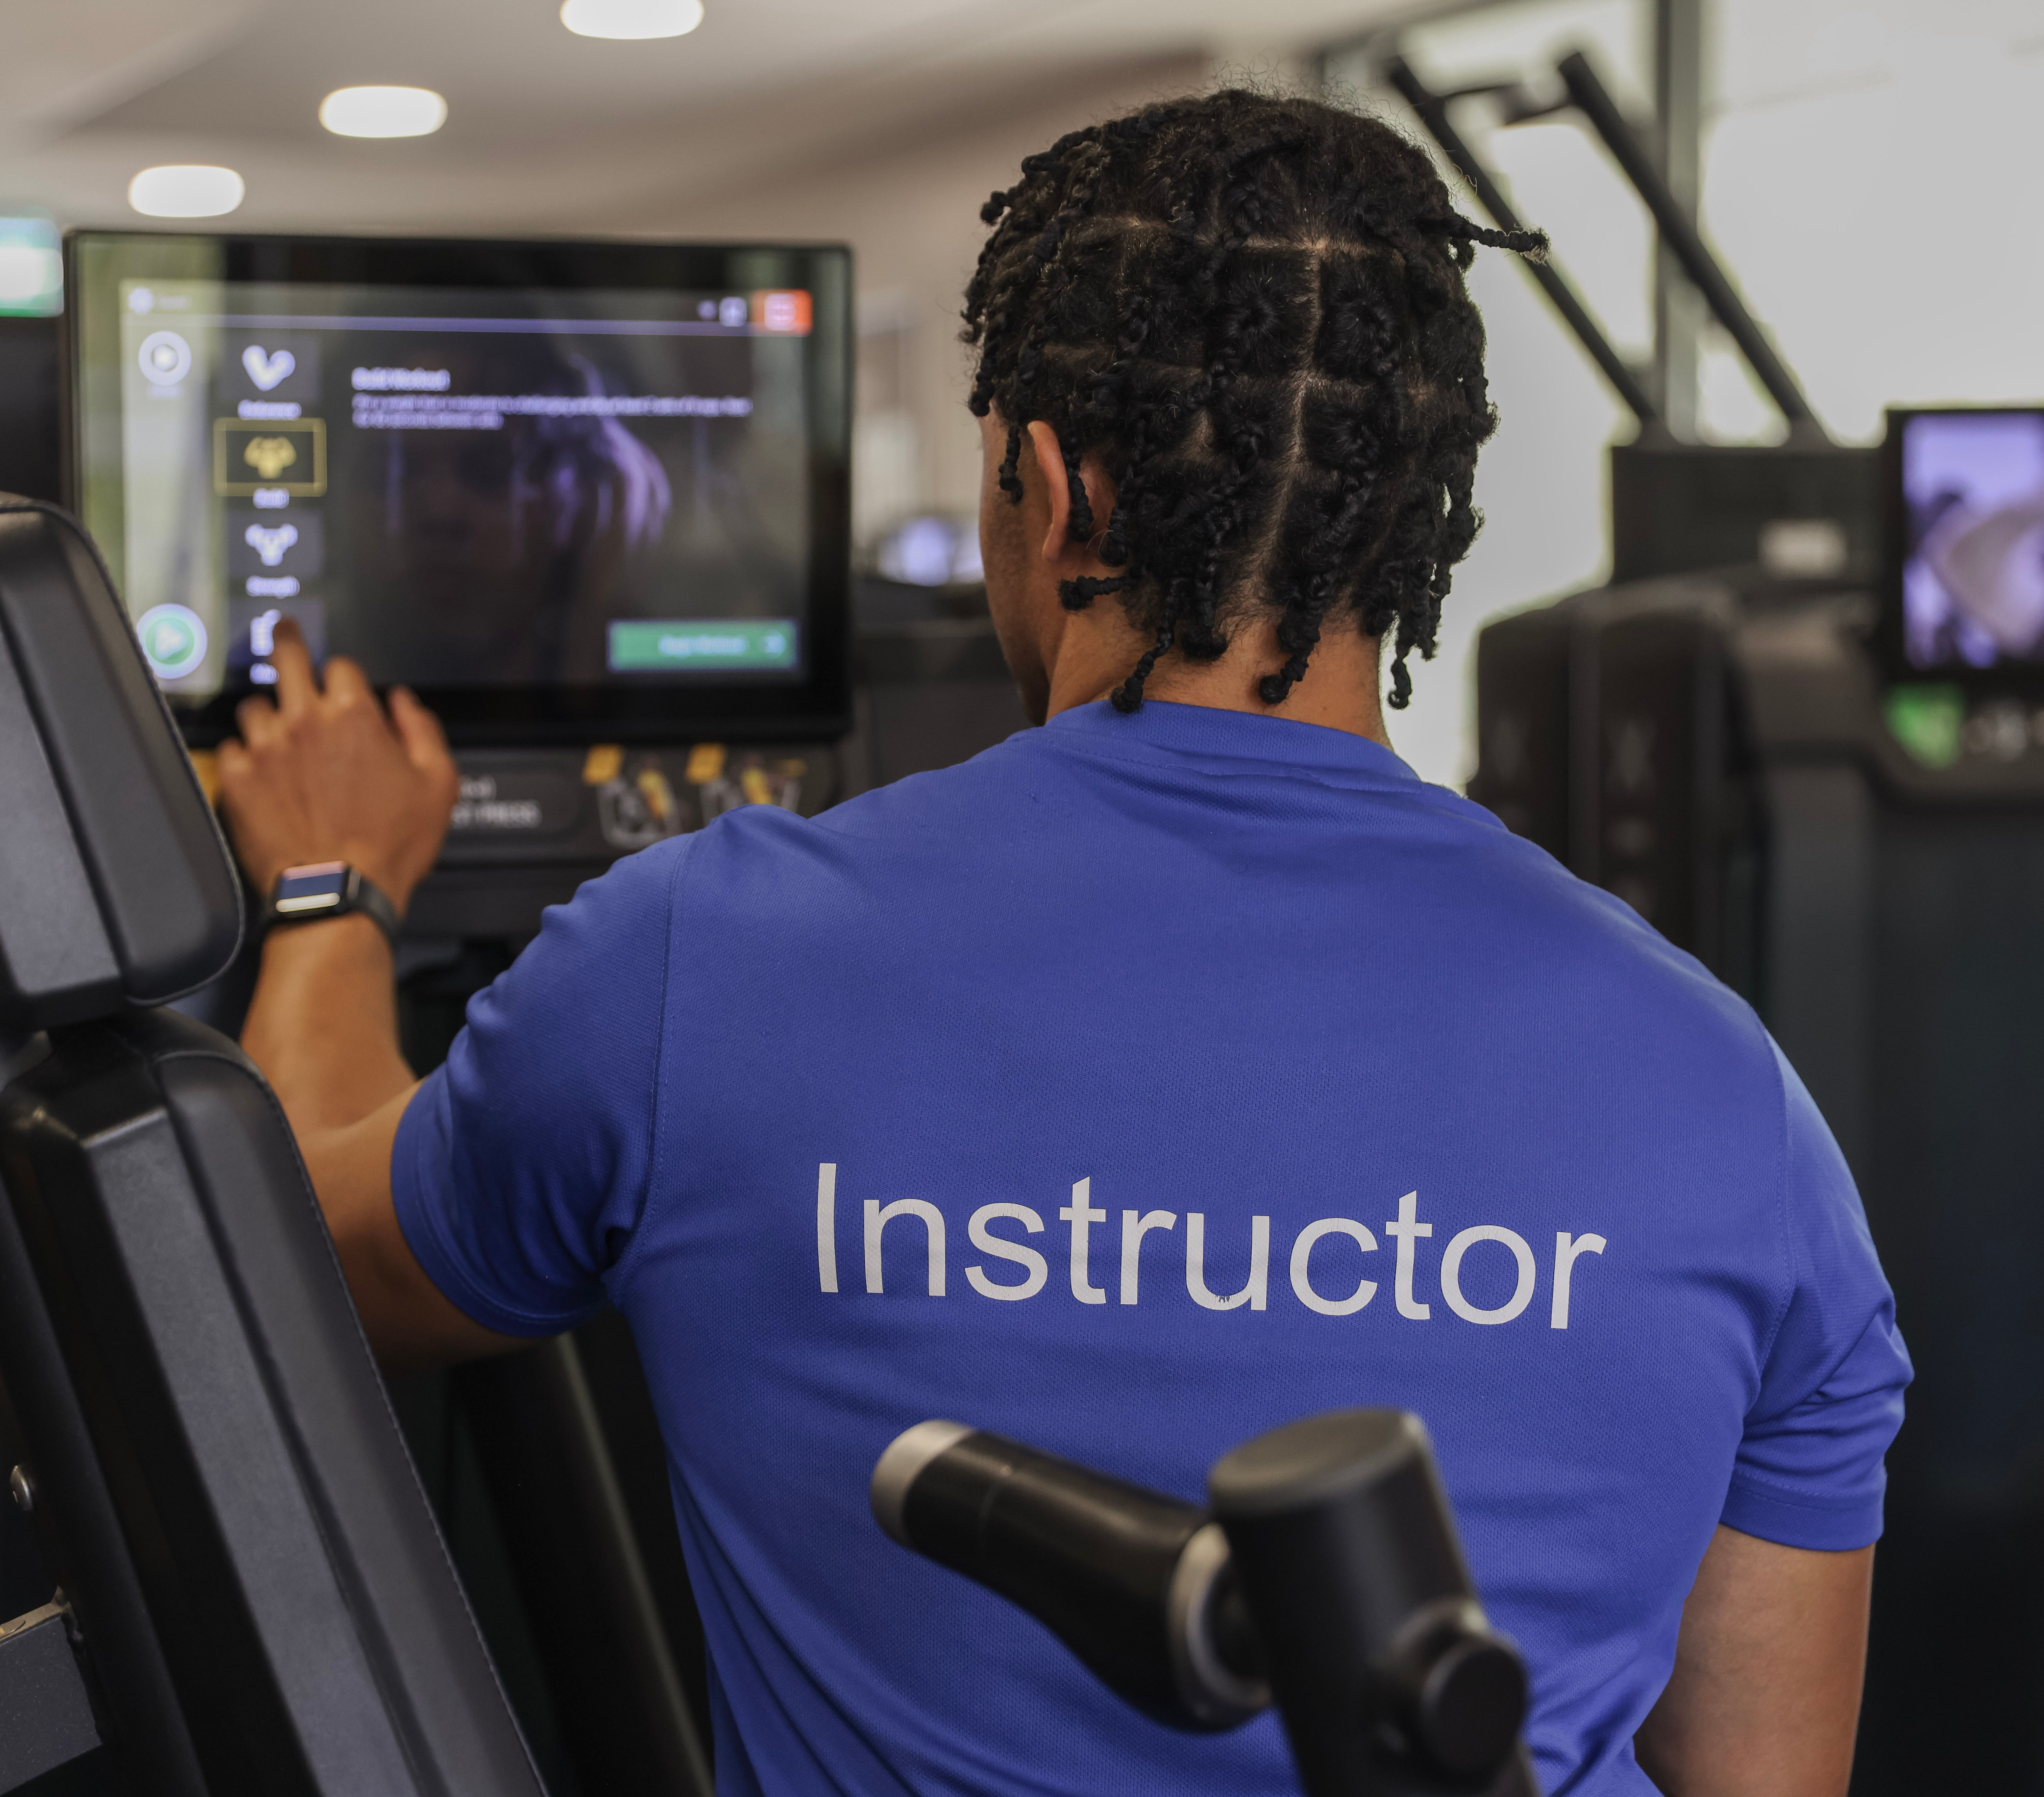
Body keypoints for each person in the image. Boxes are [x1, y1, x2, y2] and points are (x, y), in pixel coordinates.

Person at [217, 89, 1909, 1797]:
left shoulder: (695, 963)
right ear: (1412, 522)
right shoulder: (1733, 1104)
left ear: (1051, 489)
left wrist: (328, 883)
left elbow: (268, 1251)